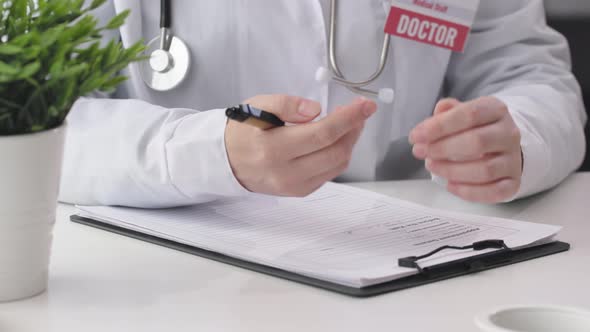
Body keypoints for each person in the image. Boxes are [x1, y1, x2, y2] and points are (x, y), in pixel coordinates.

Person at [59, 0, 586, 208]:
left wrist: (515, 141)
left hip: (413, 265)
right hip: (176, 272)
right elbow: (35, 120)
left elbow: (530, 73)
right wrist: (203, 153)